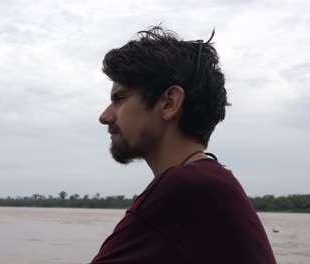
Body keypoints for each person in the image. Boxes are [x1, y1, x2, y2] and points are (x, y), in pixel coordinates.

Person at [90, 26, 276, 264]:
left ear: (169, 103)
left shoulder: (184, 189)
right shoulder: (213, 182)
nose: (105, 117)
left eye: (119, 99)